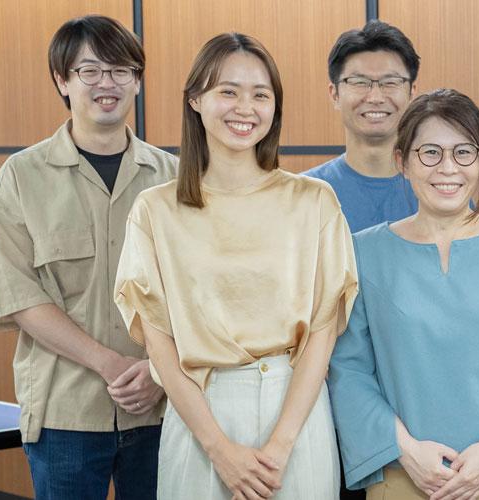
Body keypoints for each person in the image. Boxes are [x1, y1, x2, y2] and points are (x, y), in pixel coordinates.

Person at [113, 33, 357, 499]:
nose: (245, 108)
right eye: (228, 91)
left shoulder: (314, 201)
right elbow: (160, 344)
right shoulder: (155, 210)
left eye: (260, 95)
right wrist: (219, 449)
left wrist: (282, 445)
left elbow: (323, 330)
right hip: (200, 416)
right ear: (195, 99)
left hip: (296, 413)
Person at [328, 89, 479, 500]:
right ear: (402, 162)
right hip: (404, 474)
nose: (448, 168)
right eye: (430, 153)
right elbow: (349, 370)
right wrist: (407, 451)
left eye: (464, 152)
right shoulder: (363, 251)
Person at [0, 15, 176, 499]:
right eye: (90, 71)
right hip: (64, 414)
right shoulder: (20, 177)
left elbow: (196, 291)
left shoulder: (173, 177)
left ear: (137, 81)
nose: (107, 83)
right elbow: (19, 296)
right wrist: (110, 364)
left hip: (162, 407)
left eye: (121, 70)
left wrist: (159, 372)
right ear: (62, 80)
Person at [305, 20, 420, 233]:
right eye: (359, 82)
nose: (375, 97)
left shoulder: (439, 189)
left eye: (390, 82)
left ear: (412, 92)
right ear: (335, 94)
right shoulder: (305, 193)